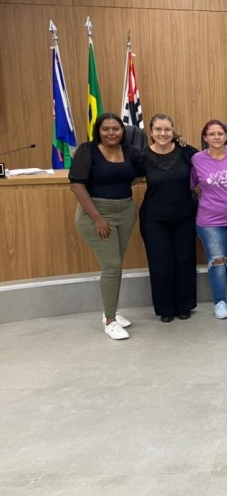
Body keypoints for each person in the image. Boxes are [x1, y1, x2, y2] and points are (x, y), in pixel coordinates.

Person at [69, 113, 140, 340]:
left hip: (125, 212)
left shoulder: (129, 151)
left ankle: (112, 311)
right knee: (112, 267)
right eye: (106, 129)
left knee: (116, 265)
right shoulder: (87, 150)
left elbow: (138, 175)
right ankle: (110, 321)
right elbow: (77, 185)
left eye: (115, 129)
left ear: (123, 131)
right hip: (96, 214)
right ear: (98, 131)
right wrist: (98, 218)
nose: (111, 133)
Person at [138, 113, 198, 323]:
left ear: (173, 131)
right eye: (158, 129)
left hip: (184, 216)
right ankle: (165, 309)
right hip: (154, 219)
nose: (162, 133)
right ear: (151, 132)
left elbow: (210, 158)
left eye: (167, 129)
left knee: (185, 260)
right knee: (160, 263)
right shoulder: (142, 156)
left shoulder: (186, 152)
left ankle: (184, 305)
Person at [191, 119, 227, 320]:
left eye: (220, 134)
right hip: (210, 221)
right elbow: (192, 185)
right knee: (217, 261)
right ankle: (219, 302)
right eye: (211, 134)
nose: (216, 137)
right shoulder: (197, 159)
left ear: (226, 136)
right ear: (205, 137)